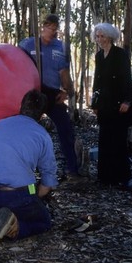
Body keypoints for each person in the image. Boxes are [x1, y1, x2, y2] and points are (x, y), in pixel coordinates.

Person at [0, 89, 58, 249]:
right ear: (41, 115)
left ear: (20, 106)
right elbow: (47, 183)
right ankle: (13, 227)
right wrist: (36, 196)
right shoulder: (42, 135)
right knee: (43, 221)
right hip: (15, 196)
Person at [19, 14, 83, 181]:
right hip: (33, 93)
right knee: (25, 129)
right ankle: (23, 170)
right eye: (50, 28)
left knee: (65, 129)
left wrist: (67, 91)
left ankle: (72, 169)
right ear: (43, 26)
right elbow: (16, 66)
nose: (53, 31)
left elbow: (64, 73)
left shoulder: (60, 47)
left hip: (53, 93)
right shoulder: (27, 44)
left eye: (56, 29)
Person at [91, 23, 132, 189]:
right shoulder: (98, 56)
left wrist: (127, 101)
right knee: (104, 139)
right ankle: (106, 177)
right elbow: (97, 80)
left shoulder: (120, 54)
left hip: (119, 103)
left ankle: (125, 178)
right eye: (97, 36)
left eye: (102, 36)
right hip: (104, 104)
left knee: (118, 140)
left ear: (110, 37)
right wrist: (94, 103)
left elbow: (126, 78)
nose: (100, 39)